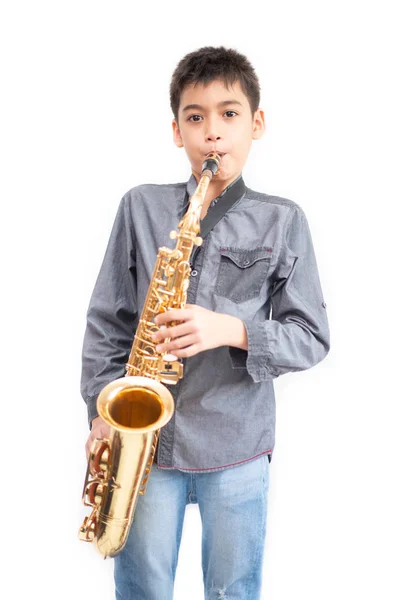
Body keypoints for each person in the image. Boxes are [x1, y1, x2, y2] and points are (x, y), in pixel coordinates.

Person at [81, 46, 330, 600]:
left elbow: (311, 337)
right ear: (176, 131)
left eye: (229, 113)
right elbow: (108, 319)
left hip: (237, 445)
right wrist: (101, 408)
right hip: (146, 447)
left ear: (256, 123)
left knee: (233, 591)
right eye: (195, 117)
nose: (211, 134)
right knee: (142, 587)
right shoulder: (140, 207)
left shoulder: (284, 219)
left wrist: (233, 330)